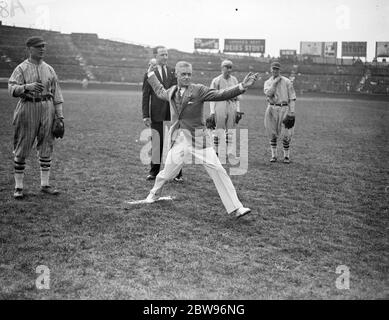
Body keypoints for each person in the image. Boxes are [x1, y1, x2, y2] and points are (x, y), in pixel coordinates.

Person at [139, 61, 259, 218]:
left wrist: (242, 86)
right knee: (167, 173)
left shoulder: (199, 90)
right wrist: (150, 75)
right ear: (176, 74)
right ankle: (154, 194)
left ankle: (237, 207)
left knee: (218, 170)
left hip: (199, 140)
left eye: (189, 74)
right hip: (179, 139)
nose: (187, 77)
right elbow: (160, 91)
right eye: (183, 74)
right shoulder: (172, 91)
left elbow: (220, 94)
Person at [8, 36, 64, 199]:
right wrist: (26, 87)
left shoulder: (49, 69)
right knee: (23, 145)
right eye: (38, 46)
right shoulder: (21, 68)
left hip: (47, 107)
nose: (42, 49)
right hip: (28, 106)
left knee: (47, 144)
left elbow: (57, 95)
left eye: (43, 46)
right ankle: (18, 187)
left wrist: (60, 117)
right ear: (30, 49)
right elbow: (11, 88)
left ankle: (45, 185)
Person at [142, 46, 183, 182]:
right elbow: (145, 96)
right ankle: (154, 172)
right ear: (156, 56)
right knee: (157, 143)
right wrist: (145, 115)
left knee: (175, 142)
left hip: (172, 113)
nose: (165, 57)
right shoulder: (149, 73)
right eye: (162, 55)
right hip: (156, 113)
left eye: (166, 54)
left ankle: (177, 173)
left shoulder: (173, 72)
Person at [263, 61, 296, 164]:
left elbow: (292, 97)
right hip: (272, 108)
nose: (275, 70)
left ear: (279, 70)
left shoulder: (287, 81)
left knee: (286, 133)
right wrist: (274, 83)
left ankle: (286, 156)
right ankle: (274, 155)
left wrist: (292, 112)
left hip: (284, 108)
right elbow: (269, 93)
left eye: (277, 69)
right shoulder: (268, 82)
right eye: (273, 68)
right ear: (271, 69)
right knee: (272, 132)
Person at [209, 59, 242, 159]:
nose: (229, 69)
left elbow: (238, 97)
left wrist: (238, 110)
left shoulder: (234, 80)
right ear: (222, 68)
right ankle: (216, 152)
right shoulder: (216, 80)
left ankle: (230, 153)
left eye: (230, 67)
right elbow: (211, 97)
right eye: (226, 67)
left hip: (231, 104)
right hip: (220, 103)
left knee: (231, 130)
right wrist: (212, 111)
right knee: (218, 129)